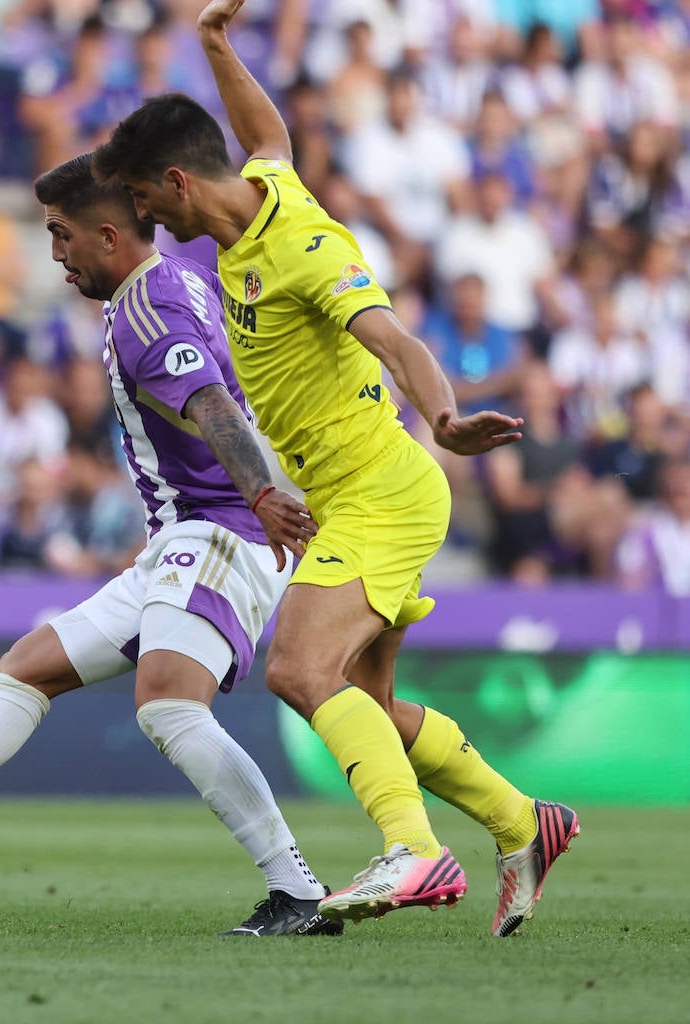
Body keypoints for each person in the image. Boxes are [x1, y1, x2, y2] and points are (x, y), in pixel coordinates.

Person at [86, 0, 578, 936]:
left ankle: (415, 849)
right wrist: (216, 45)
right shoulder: (258, 190)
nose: (141, 218)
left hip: (383, 490)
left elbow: (390, 336)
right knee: (372, 705)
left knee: (301, 667)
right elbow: (265, 130)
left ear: (178, 184)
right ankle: (524, 822)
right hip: (349, 495)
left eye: (144, 200)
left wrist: (443, 415)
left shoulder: (305, 251)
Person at [0, 152, 343, 938]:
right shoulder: (172, 276)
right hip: (183, 536)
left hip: (222, 529)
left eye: (60, 235)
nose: (53, 254)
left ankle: (298, 892)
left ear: (109, 236)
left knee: (168, 707)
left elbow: (215, 405)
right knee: (26, 667)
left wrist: (260, 493)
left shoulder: (150, 311)